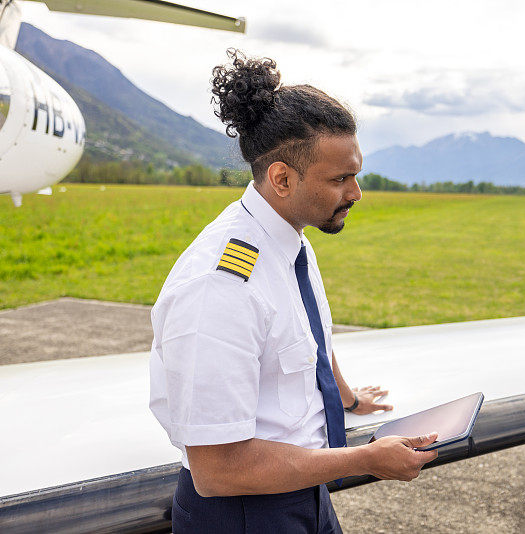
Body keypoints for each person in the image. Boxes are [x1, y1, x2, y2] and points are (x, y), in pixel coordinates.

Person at [148, 50, 439, 533]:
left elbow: (306, 339)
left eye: (356, 173)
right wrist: (365, 459)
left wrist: (345, 397)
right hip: (245, 513)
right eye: (340, 178)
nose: (356, 192)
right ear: (282, 178)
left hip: (303, 490)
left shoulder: (289, 240)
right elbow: (219, 470)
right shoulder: (221, 286)